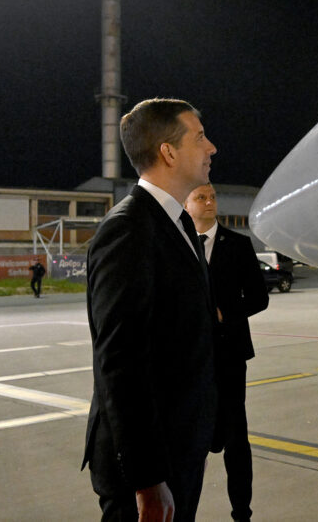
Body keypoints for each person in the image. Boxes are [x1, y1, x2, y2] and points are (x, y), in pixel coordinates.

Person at [82, 98, 219, 521]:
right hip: (146, 465)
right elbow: (120, 362)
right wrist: (147, 478)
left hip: (180, 445)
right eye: (199, 137)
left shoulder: (178, 226)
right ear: (168, 152)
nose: (211, 147)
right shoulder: (128, 229)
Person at [185, 183, 268, 522]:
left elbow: (259, 298)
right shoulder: (179, 244)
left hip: (230, 357)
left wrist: (226, 314)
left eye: (212, 197)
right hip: (192, 359)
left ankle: (242, 514)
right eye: (200, 197)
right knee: (191, 442)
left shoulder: (238, 245)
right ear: (186, 204)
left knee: (236, 440)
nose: (209, 202)